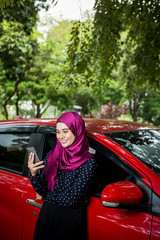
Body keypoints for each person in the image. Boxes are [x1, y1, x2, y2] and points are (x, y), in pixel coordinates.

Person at [28, 111, 96, 240]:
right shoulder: (52, 155)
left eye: (65, 131)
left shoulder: (88, 162)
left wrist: (46, 196)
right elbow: (41, 190)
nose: (60, 136)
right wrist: (34, 173)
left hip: (69, 220)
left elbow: (70, 199)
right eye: (58, 132)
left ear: (77, 130)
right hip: (47, 215)